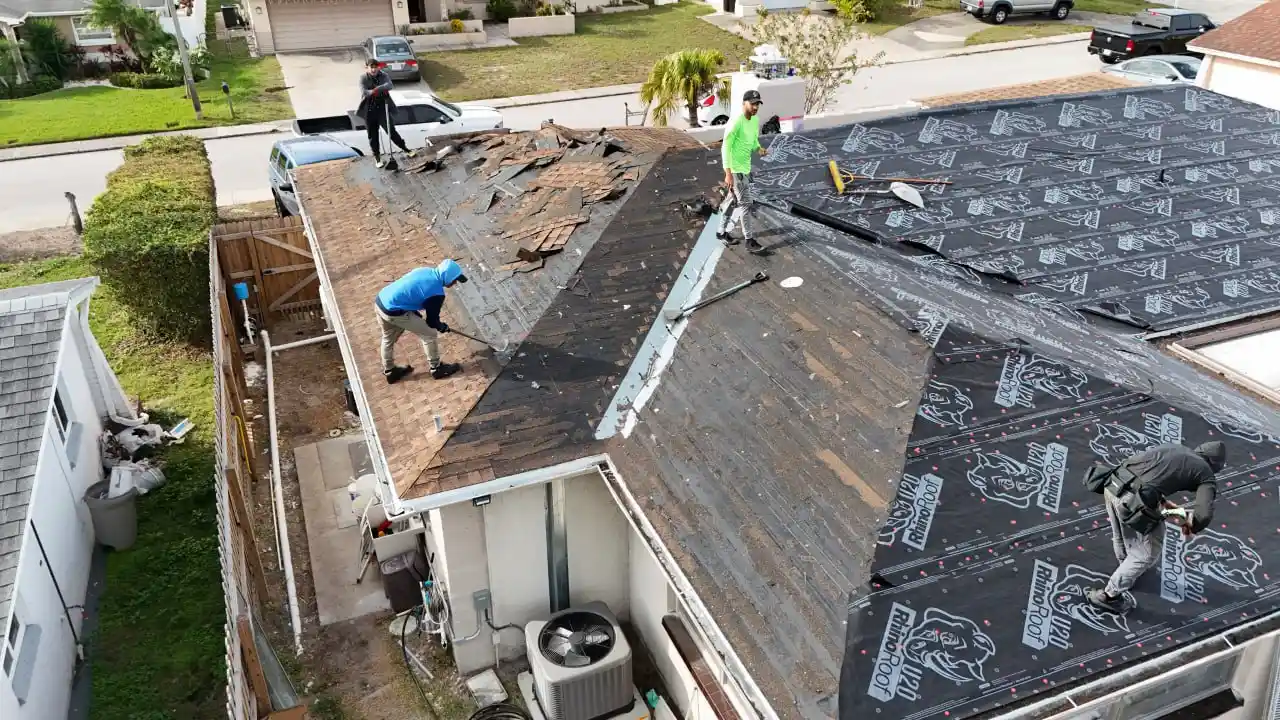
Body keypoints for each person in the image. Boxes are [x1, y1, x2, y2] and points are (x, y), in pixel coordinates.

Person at [1087, 441, 1225, 614]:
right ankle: (1109, 595)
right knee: (1148, 553)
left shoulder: (1176, 448)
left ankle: (1127, 568)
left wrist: (1172, 509)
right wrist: (1192, 525)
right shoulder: (1206, 473)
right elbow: (1203, 515)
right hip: (1133, 499)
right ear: (1214, 466)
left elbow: (1149, 476)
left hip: (1114, 483)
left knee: (1122, 535)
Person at [375, 260, 467, 384]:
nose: (455, 283)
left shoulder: (425, 270)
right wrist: (442, 327)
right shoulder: (436, 293)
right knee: (429, 334)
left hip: (381, 301)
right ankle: (437, 368)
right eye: (454, 280)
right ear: (447, 276)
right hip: (394, 311)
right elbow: (432, 321)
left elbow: (411, 292)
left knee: (387, 338)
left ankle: (390, 372)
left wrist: (422, 317)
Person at [716, 89, 769, 255]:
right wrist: (728, 173)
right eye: (752, 104)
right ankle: (749, 240)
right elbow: (726, 147)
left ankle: (720, 232)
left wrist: (759, 149)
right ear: (744, 103)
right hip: (735, 170)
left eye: (757, 104)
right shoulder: (736, 122)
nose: (755, 107)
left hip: (745, 169)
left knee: (733, 202)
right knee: (746, 204)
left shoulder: (754, 121)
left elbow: (752, 142)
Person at [357, 58, 416, 169]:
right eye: (371, 67)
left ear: (379, 67)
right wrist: (376, 91)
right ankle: (377, 157)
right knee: (372, 136)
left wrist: (377, 89)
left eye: (376, 67)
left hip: (382, 109)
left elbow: (389, 85)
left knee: (391, 131)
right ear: (367, 67)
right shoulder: (363, 78)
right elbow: (364, 92)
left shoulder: (383, 75)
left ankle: (405, 149)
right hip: (369, 110)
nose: (374, 69)